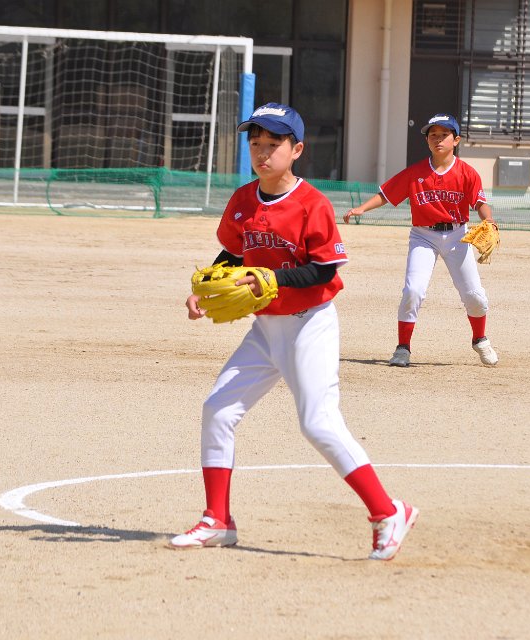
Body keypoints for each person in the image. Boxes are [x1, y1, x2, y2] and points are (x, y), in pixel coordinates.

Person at [174, 102, 418, 560]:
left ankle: (389, 512)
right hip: (265, 328)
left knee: (318, 423)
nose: (262, 153)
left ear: (297, 150)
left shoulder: (312, 203)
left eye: (273, 144)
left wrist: (273, 278)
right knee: (218, 410)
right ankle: (218, 520)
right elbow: (234, 255)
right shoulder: (243, 200)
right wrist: (206, 289)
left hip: (309, 325)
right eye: (256, 143)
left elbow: (324, 269)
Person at [344, 113, 499, 368]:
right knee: (413, 291)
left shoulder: (467, 173)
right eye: (433, 135)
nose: (438, 139)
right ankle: (403, 348)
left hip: (457, 235)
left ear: (456, 140)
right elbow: (387, 194)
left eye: (444, 135)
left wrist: (489, 220)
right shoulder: (415, 172)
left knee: (474, 295)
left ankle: (479, 339)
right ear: (427, 140)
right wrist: (361, 208)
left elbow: (480, 202)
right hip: (423, 235)